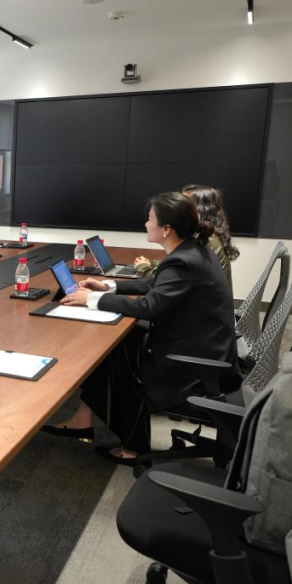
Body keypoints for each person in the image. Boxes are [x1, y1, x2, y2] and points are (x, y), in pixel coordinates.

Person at [42, 192, 239, 464]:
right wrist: (108, 286)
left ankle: (134, 447)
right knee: (121, 349)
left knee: (115, 362)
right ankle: (88, 422)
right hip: (208, 348)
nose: (146, 223)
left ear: (166, 229)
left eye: (150, 219)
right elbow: (156, 284)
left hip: (193, 365)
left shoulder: (183, 260)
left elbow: (149, 306)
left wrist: (92, 299)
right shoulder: (194, 250)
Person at [134, 184, 240, 289]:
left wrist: (144, 269)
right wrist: (153, 263)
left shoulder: (206, 240)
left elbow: (170, 280)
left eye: (184, 202)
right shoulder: (208, 236)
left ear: (199, 208)